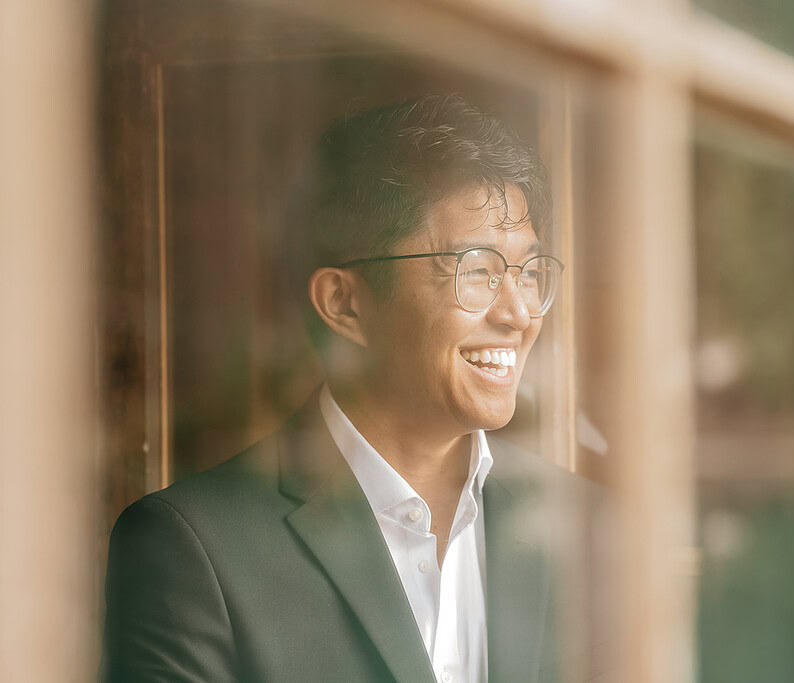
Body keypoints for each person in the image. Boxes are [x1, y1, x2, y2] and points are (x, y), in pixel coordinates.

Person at [101, 94, 609, 682]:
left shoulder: (588, 530)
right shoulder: (191, 550)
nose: (519, 313)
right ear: (345, 303)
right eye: (478, 272)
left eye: (528, 272)